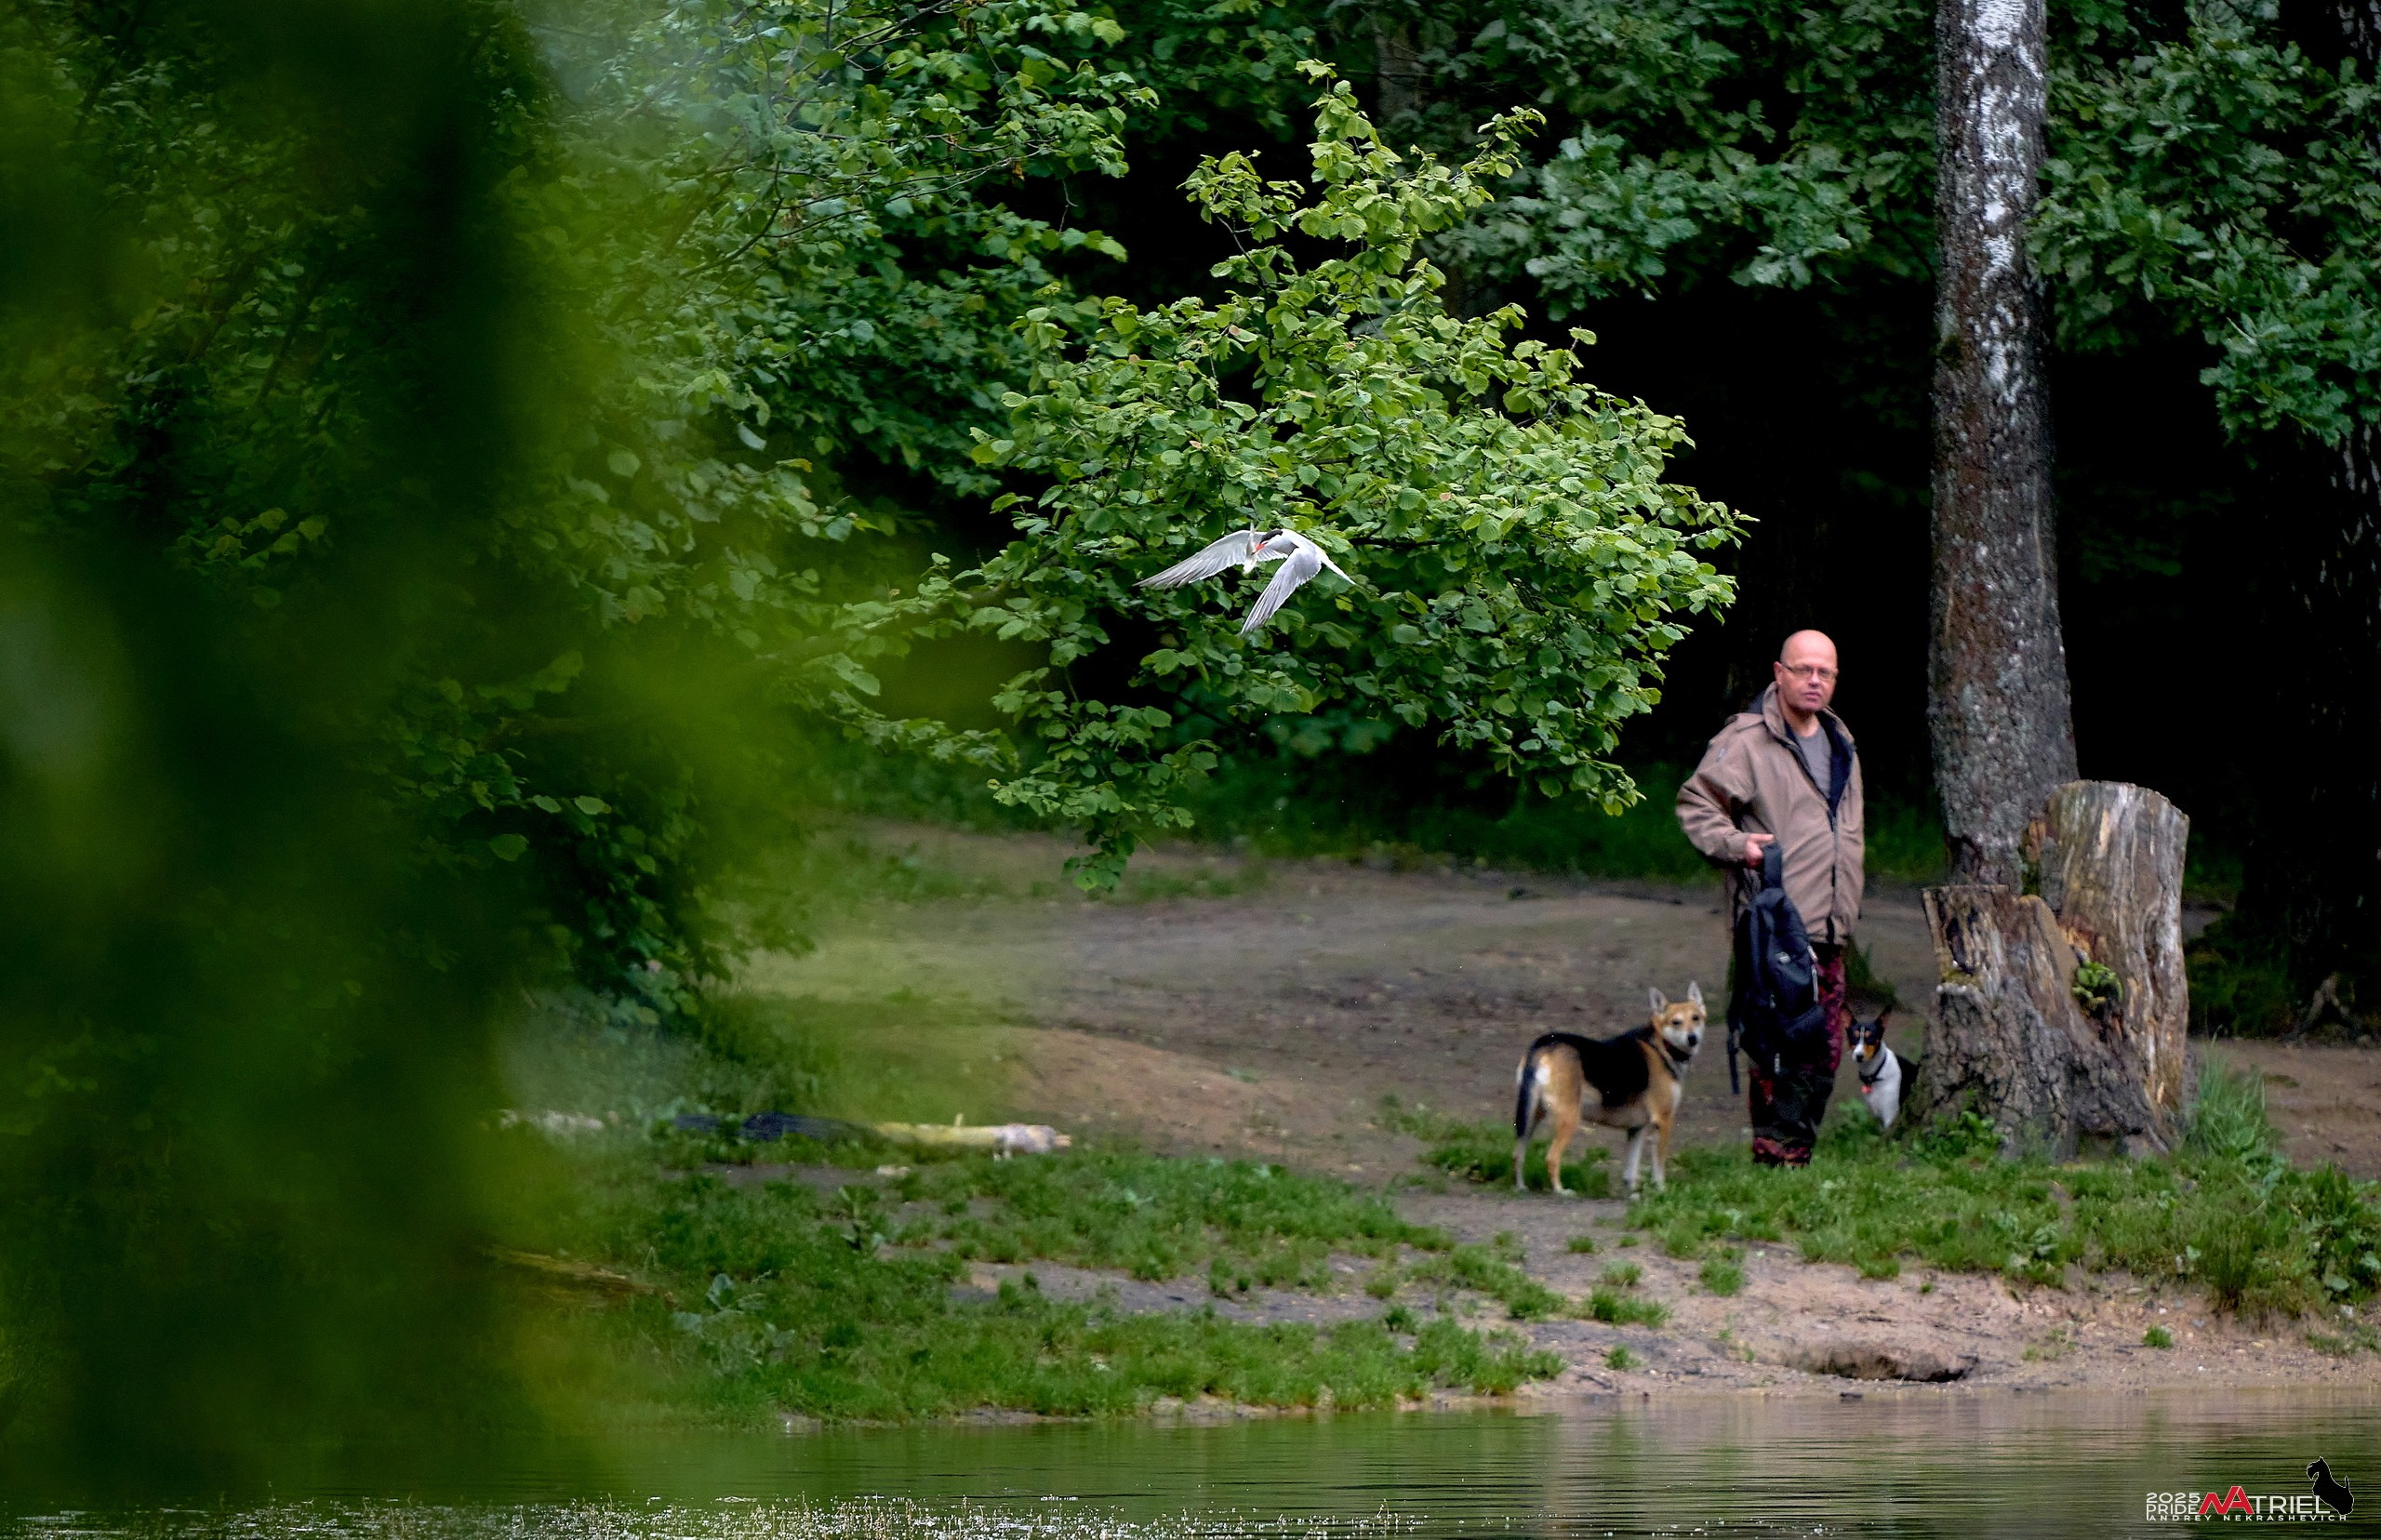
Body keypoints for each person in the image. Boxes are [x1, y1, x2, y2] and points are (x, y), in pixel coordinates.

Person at [1675, 631, 1865, 1165]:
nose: (1814, 681)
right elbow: (1697, 805)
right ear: (1779, 673)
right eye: (1803, 669)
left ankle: (1787, 1152)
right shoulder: (1748, 740)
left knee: (1824, 1049)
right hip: (1775, 926)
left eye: (1824, 673)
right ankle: (1777, 1156)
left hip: (1829, 928)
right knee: (1779, 1046)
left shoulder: (1840, 742)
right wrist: (1739, 846)